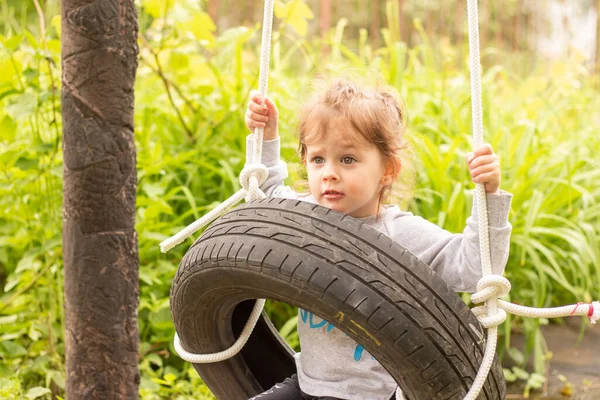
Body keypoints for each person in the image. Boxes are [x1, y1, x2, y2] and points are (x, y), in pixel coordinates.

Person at [243, 78, 513, 400]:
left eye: (347, 159)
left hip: (370, 395)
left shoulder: (400, 235)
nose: (329, 172)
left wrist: (490, 196)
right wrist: (267, 135)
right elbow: (264, 201)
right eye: (318, 159)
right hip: (307, 385)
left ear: (387, 170)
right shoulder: (305, 216)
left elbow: (474, 267)